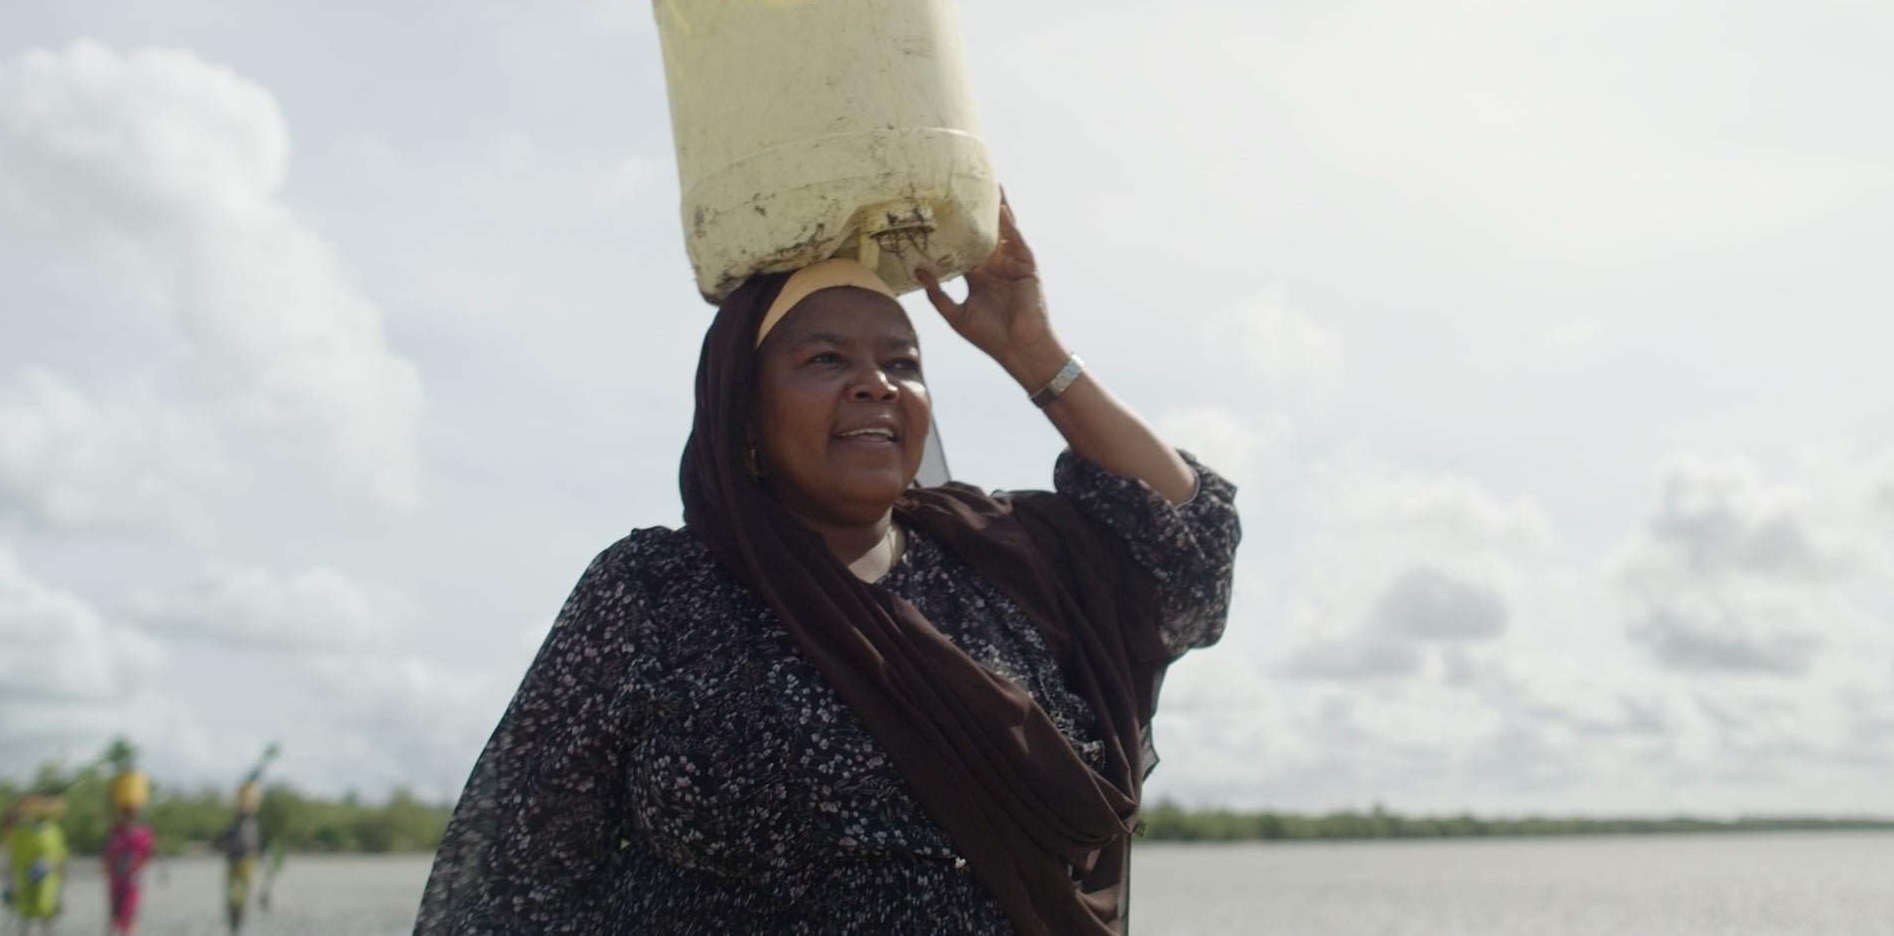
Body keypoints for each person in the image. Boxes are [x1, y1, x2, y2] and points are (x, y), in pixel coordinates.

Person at [416, 202, 1239, 934]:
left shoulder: (1006, 563)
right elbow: (504, 884)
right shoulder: (654, 592)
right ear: (744, 412)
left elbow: (1190, 549)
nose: (876, 384)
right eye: (825, 360)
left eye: (903, 362)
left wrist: (1035, 351)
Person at [7, 796, 66, 934]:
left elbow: (60, 857)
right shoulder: (23, 831)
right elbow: (16, 857)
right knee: (26, 914)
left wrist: (61, 889)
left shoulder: (54, 831)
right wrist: (12, 882)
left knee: (47, 910)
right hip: (27, 878)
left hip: (48, 878)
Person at [219, 782, 264, 933]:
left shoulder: (252, 825)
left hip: (247, 862)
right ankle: (234, 924)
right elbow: (222, 841)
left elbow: (257, 846)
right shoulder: (235, 824)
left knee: (242, 897)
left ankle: (238, 926)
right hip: (234, 861)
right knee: (233, 897)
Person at [104, 804, 154, 934]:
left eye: (132, 813)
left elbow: (149, 853)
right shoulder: (116, 831)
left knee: (129, 913)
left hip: (133, 879)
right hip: (117, 879)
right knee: (115, 915)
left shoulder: (143, 832)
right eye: (127, 813)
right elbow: (108, 854)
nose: (130, 816)